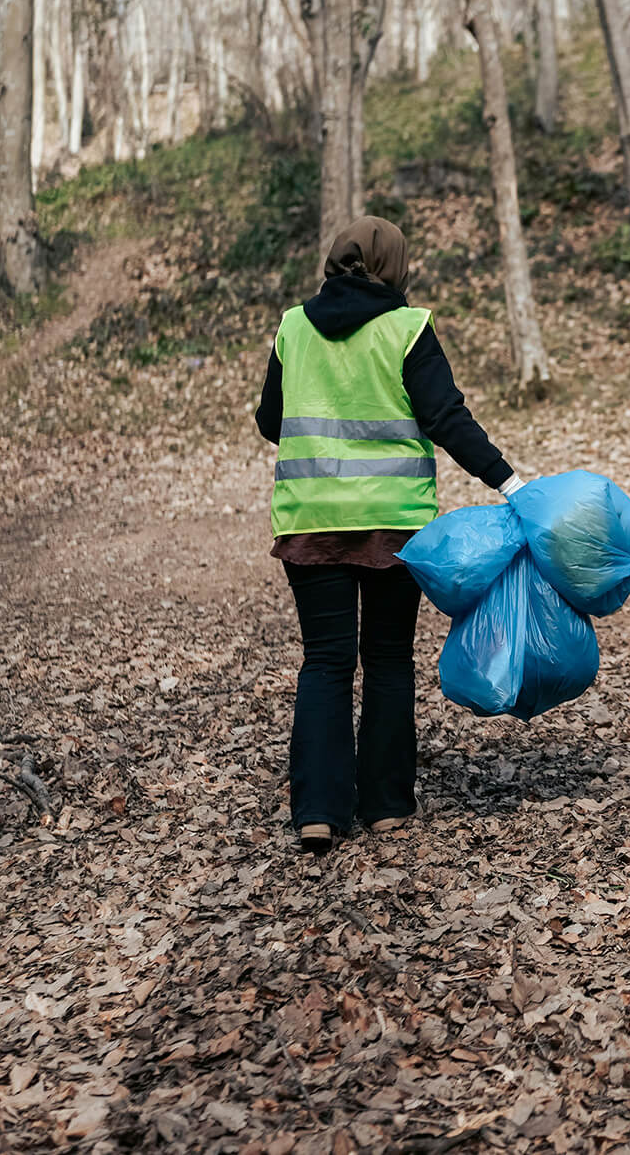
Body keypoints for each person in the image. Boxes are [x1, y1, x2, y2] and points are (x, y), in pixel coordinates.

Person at [255, 216, 526, 854]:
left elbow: (272, 420)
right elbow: (446, 418)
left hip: (311, 523)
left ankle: (318, 811)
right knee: (385, 660)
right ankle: (385, 806)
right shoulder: (408, 329)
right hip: (394, 525)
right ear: (395, 266)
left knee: (324, 662)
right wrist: (510, 484)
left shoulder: (294, 326)